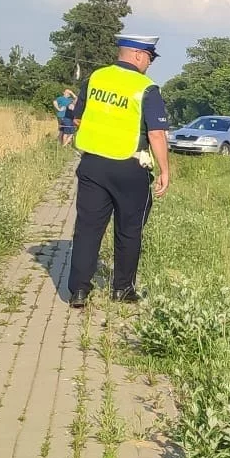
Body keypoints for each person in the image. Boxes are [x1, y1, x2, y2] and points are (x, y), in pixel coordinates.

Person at [67, 34, 172, 308]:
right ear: (138, 55)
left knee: (88, 229)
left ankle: (79, 291)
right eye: (149, 57)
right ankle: (122, 289)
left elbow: (77, 117)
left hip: (92, 165)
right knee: (129, 230)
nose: (149, 63)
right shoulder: (146, 88)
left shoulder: (95, 79)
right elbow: (158, 134)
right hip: (129, 167)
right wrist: (164, 170)